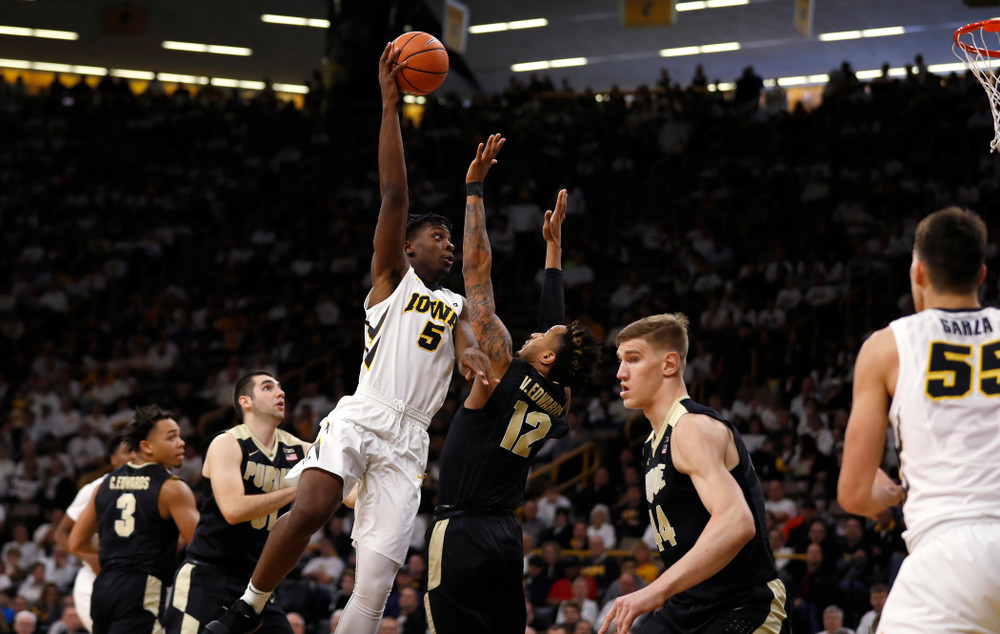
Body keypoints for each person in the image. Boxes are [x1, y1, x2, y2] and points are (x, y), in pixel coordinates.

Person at [206, 43, 494, 634]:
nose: (444, 242)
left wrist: (468, 350)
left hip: (411, 439)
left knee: (376, 581)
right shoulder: (392, 281)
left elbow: (470, 334)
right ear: (408, 249)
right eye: (434, 236)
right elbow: (394, 196)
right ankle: (247, 609)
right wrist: (390, 104)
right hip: (365, 413)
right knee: (311, 505)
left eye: (448, 237)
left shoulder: (457, 303)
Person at [422, 137, 600, 634]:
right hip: (505, 533)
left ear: (544, 355)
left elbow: (476, 270)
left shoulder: (502, 364)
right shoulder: (559, 398)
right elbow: (557, 343)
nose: (536, 329)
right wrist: (553, 250)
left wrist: (474, 189)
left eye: (544, 335)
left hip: (461, 525)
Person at [838, 207, 1000, 632]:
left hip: (947, 561)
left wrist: (891, 495)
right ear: (981, 275)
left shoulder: (887, 347)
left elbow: (854, 493)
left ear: (919, 271)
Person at [600, 314, 787, 634]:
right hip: (687, 606)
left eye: (633, 359)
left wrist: (653, 591)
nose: (620, 372)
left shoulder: (692, 427)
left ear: (669, 364)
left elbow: (737, 521)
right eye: (620, 361)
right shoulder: (652, 443)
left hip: (741, 603)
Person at [164, 372, 307, 633]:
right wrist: (298, 489)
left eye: (281, 388)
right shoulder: (227, 443)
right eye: (268, 387)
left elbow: (349, 490)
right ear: (246, 401)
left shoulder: (299, 450)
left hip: (258, 584)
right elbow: (233, 510)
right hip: (209, 576)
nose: (281, 393)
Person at [68, 405, 199, 634]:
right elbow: (201, 545)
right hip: (141, 588)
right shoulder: (172, 488)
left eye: (180, 436)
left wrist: (121, 549)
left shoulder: (103, 484)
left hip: (103, 589)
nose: (181, 443)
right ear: (146, 447)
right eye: (172, 437)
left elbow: (76, 543)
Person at [53, 433, 133, 633]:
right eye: (126, 452)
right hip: (98, 575)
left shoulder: (157, 486)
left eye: (137, 451)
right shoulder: (96, 488)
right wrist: (91, 559)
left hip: (138, 576)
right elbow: (62, 533)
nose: (133, 457)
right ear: (113, 458)